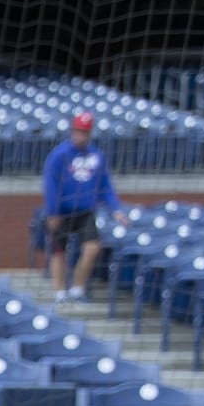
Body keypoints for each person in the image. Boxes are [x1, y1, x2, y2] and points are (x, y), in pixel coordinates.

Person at [43, 111, 128, 303]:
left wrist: (116, 210)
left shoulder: (97, 156)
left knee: (92, 248)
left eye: (84, 132)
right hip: (62, 212)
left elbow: (105, 186)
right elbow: (51, 185)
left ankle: (78, 288)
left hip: (85, 211)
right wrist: (53, 212)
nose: (80, 135)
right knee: (59, 252)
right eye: (78, 131)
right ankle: (59, 291)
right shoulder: (59, 155)